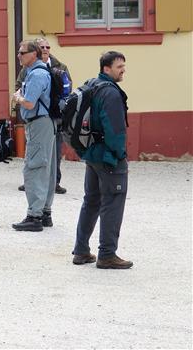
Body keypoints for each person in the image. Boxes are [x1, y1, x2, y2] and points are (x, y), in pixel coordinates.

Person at [72, 51, 133, 269]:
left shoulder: (93, 84)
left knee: (91, 201)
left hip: (92, 154)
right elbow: (115, 129)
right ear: (107, 68)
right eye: (119, 67)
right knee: (113, 202)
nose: (123, 70)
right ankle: (107, 254)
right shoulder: (111, 93)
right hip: (108, 157)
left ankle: (81, 251)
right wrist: (120, 155)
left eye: (124, 66)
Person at [11, 40, 56, 232]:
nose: (19, 56)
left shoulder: (37, 74)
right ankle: (45, 213)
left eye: (22, 53)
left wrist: (17, 97)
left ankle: (34, 216)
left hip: (39, 123)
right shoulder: (40, 71)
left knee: (34, 167)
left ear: (33, 54)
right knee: (46, 167)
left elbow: (29, 103)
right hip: (45, 123)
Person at [16, 37, 72, 194]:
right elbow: (20, 84)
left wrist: (20, 98)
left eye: (48, 47)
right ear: (37, 51)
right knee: (38, 152)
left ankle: (53, 183)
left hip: (51, 116)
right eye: (43, 47)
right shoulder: (28, 69)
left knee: (53, 152)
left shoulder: (59, 67)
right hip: (40, 116)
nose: (46, 49)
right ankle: (36, 184)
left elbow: (67, 89)